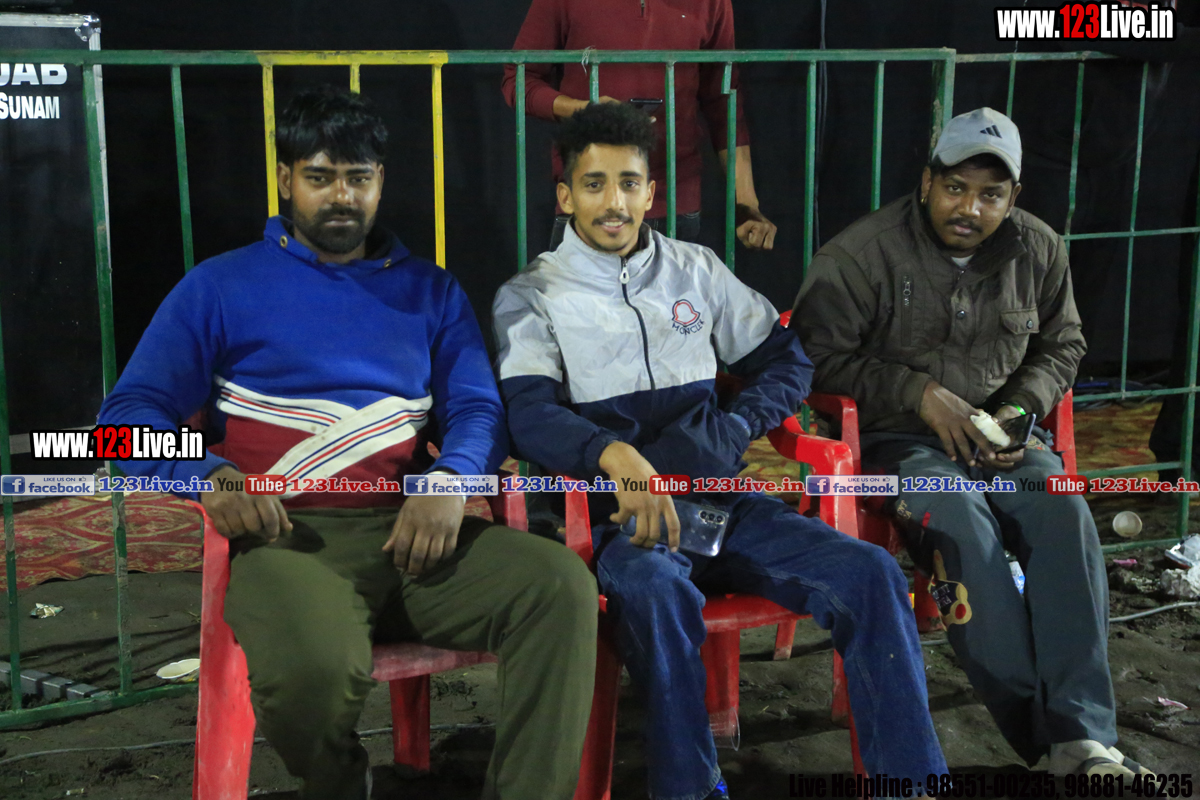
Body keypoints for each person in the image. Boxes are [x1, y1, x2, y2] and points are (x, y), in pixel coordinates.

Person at [97, 86, 598, 800]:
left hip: (416, 536)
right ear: (285, 179)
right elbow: (121, 423)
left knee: (559, 587)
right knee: (315, 668)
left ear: (381, 182)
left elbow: (477, 410)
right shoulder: (220, 288)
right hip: (287, 542)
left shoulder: (431, 292)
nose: (341, 196)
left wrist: (451, 480)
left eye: (358, 178)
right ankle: (340, 782)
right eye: (320, 176)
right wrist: (206, 474)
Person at [493, 101, 946, 800]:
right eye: (593, 185)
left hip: (725, 506)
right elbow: (528, 415)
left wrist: (734, 430)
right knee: (658, 594)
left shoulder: (696, 270)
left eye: (628, 184)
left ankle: (909, 786)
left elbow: (786, 361)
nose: (613, 203)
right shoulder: (532, 295)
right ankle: (692, 790)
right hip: (623, 523)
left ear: (651, 192)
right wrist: (613, 456)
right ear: (565, 196)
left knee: (872, 574)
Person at [792, 107, 1154, 778]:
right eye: (956, 187)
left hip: (1004, 441)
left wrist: (1019, 409)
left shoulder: (1038, 248)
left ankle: (1083, 737)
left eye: (991, 194)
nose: (970, 208)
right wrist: (918, 393)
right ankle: (1048, 742)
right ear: (927, 181)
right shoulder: (861, 254)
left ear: (1013, 197)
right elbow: (812, 361)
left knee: (1066, 511)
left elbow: (1063, 344)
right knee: (961, 525)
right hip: (898, 444)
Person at [501, 0, 777, 251]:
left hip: (674, 200)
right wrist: (584, 110)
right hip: (590, 198)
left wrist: (747, 204)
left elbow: (724, 102)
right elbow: (519, 79)